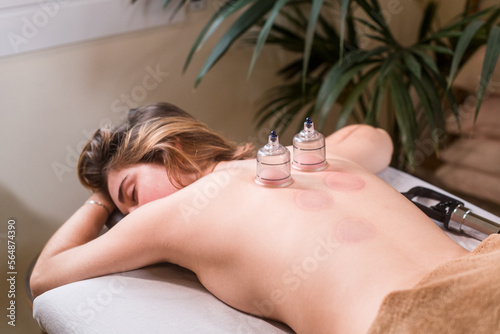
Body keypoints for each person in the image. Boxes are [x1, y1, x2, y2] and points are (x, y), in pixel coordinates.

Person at [30, 103, 473, 334]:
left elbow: (45, 273)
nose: (133, 216)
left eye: (129, 195)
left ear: (165, 149)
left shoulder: (173, 210)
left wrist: (96, 200)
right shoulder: (310, 160)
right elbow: (376, 140)